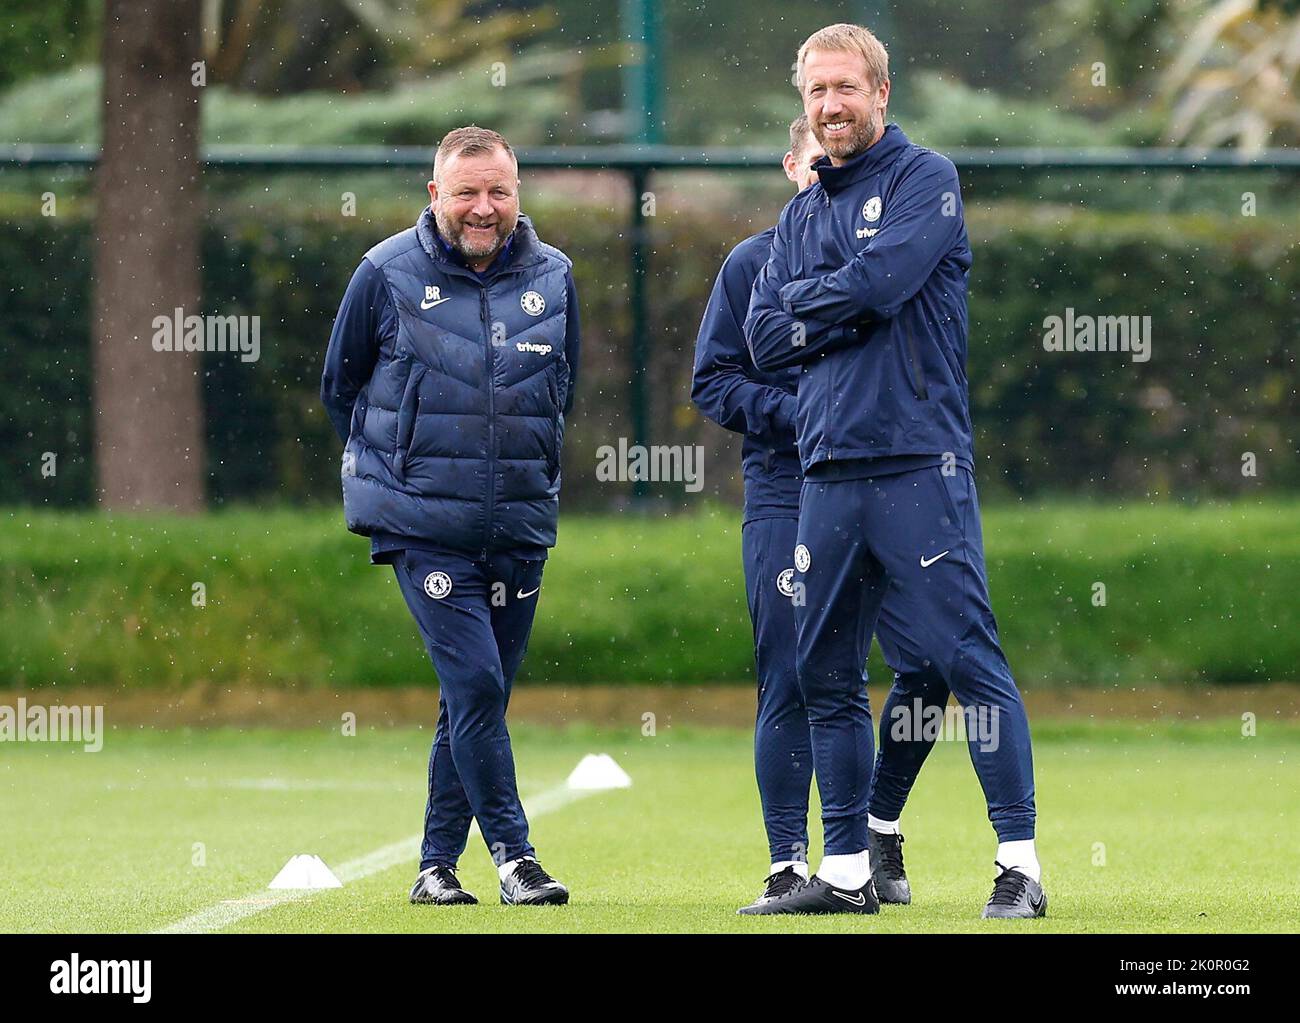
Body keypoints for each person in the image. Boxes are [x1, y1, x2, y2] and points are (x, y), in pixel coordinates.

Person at [744, 23, 1046, 919]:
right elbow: (763, 339)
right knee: (824, 675)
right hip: (826, 472)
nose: (830, 106)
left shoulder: (927, 179)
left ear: (881, 92)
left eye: (845, 88)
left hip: (920, 462)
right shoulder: (799, 214)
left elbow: (883, 285)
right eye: (815, 94)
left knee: (964, 661)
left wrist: (817, 302)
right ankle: (845, 873)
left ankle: (1020, 865)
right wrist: (836, 299)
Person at [320, 125, 580, 908]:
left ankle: (436, 866)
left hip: (518, 525)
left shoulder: (558, 276)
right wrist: (397, 475)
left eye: (498, 191)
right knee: (473, 681)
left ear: (517, 194)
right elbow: (342, 388)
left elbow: (566, 392)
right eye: (466, 191)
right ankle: (516, 856)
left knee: (478, 696)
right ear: (435, 194)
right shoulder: (383, 272)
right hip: (423, 524)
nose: (482, 207)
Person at [692, 115, 944, 914]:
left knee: (933, 661)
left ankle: (878, 823)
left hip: (891, 481)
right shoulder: (752, 265)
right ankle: (788, 861)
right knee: (796, 676)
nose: (822, 179)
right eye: (808, 165)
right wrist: (804, 411)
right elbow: (714, 381)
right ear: (793, 166)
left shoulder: (894, 259)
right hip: (787, 490)